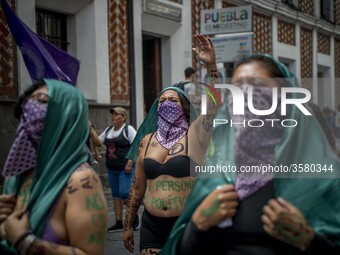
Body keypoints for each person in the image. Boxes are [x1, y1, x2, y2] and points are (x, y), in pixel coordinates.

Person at [160, 55, 340, 255]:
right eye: (237, 87)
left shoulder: (325, 178)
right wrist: (197, 224)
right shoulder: (217, 174)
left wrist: (308, 240)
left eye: (256, 85)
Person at [123, 34, 221, 255]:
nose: (167, 103)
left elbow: (213, 105)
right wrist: (128, 225)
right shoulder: (147, 142)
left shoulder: (196, 134)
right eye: (162, 101)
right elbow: (137, 188)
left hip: (188, 224)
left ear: (184, 107)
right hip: (151, 227)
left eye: (173, 100)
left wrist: (212, 67)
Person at [0, 79, 108, 255]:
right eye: (30, 101)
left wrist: (25, 241)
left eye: (43, 102)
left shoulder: (81, 181)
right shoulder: (16, 174)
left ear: (68, 116)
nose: (32, 108)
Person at [97, 107, 139, 233]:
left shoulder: (128, 129)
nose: (113, 117)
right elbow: (98, 142)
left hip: (125, 167)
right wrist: (91, 130)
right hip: (111, 167)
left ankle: (134, 215)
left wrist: (130, 162)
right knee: (115, 196)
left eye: (116, 114)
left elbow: (137, 145)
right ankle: (119, 223)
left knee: (125, 194)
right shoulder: (108, 130)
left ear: (123, 117)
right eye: (112, 114)